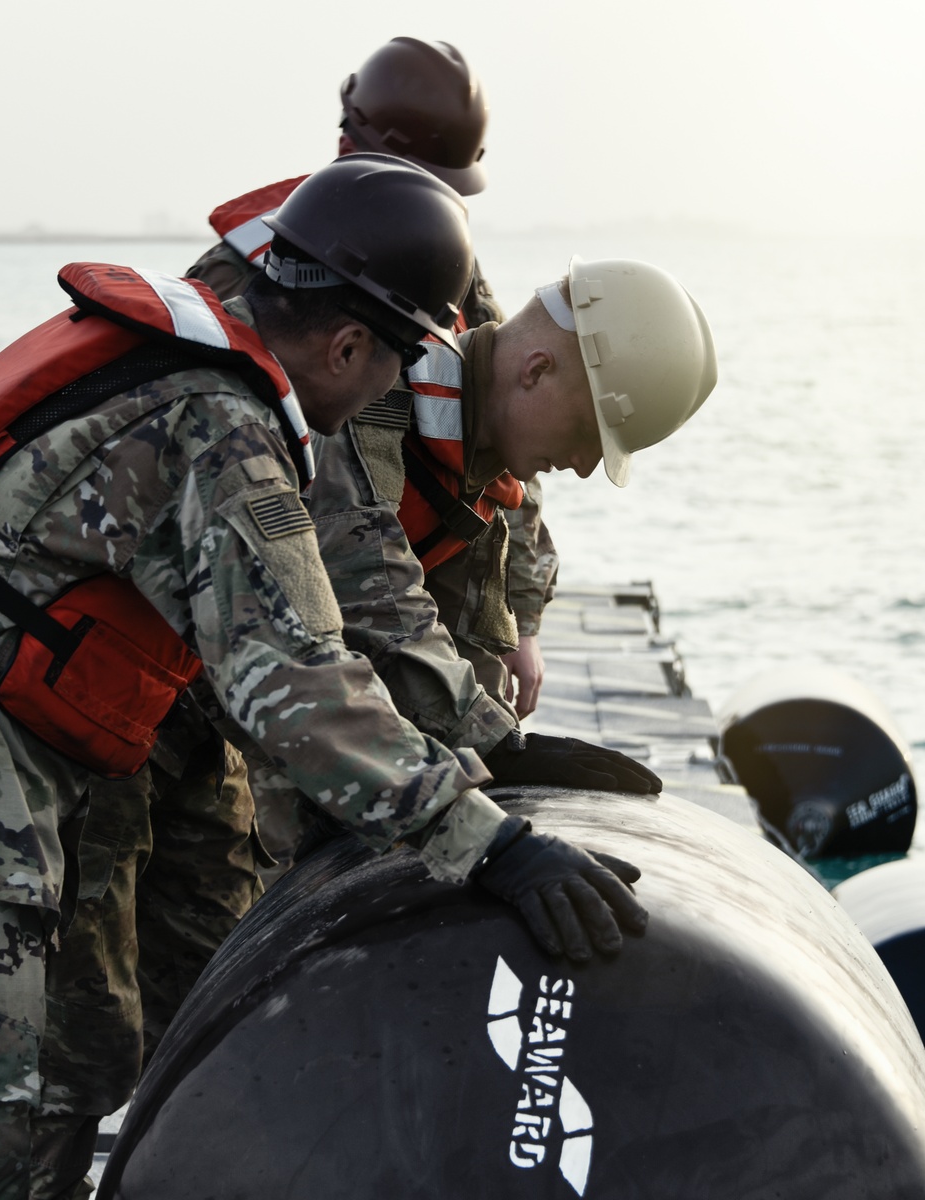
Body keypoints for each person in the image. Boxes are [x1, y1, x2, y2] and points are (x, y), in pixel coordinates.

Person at [0, 155, 649, 1199]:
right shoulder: (226, 431)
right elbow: (301, 685)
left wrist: (492, 743)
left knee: (48, 1065)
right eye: (395, 363)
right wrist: (493, 845)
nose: (393, 392)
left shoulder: (180, 358)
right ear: (348, 342)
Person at [257, 255, 719, 869]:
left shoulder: (475, 455)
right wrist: (499, 748)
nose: (583, 466)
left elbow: (466, 640)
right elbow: (372, 595)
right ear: (536, 370)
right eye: (587, 433)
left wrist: (505, 750)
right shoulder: (376, 397)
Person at [187, 35, 556, 714]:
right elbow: (323, 512)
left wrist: (514, 618)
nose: (433, 202)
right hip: (286, 590)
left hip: (418, 582)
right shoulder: (249, 278)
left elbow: (501, 432)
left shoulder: (448, 268)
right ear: (358, 148)